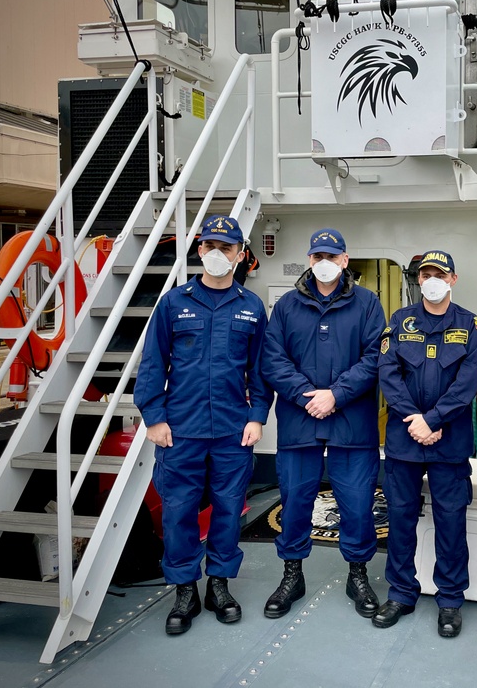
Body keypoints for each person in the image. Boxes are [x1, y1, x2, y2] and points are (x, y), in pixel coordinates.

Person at [135, 214, 273, 635]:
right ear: (199, 251)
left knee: (230, 510)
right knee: (178, 511)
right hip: (181, 430)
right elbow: (153, 363)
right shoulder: (174, 303)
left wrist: (257, 417)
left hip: (233, 430)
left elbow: (260, 369)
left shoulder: (251, 307)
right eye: (210, 247)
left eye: (226, 248)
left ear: (239, 255)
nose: (217, 254)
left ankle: (219, 584)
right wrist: (154, 418)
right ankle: (183, 590)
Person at [261, 228, 386, 621]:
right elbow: (272, 358)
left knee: (357, 503)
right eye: (318, 257)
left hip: (352, 422)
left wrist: (336, 394)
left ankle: (358, 575)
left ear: (345, 260)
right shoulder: (286, 307)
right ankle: (292, 575)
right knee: (295, 500)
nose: (325, 263)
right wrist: (305, 395)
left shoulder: (367, 304)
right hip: (300, 422)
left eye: (333, 256)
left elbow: (374, 358)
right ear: (309, 260)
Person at [373, 250, 477, 637]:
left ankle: (451, 600)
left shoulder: (472, 326)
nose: (432, 280)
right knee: (401, 518)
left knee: (451, 521)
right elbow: (389, 374)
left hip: (449, 440)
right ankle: (402, 592)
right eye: (425, 274)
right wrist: (416, 420)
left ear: (453, 279)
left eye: (440, 274)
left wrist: (433, 420)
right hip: (406, 439)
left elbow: (467, 384)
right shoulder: (399, 321)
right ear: (418, 280)